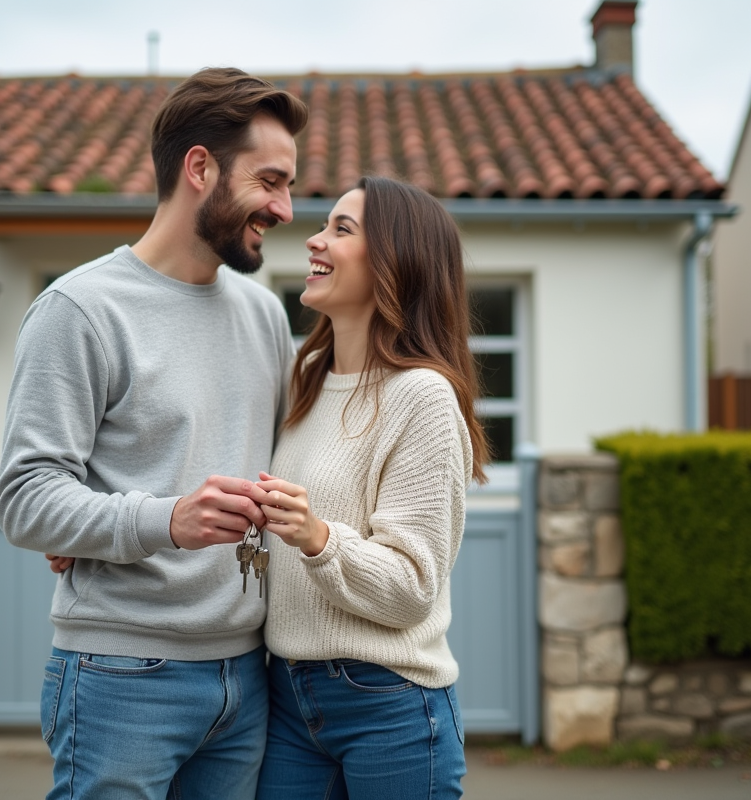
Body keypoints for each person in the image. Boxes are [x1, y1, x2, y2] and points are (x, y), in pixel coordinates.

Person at [0, 67, 308, 800]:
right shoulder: (80, 310)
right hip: (120, 676)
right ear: (200, 167)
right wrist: (163, 519)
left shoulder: (263, 315)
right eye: (269, 181)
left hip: (247, 677)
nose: (287, 209)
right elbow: (25, 497)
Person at [244, 176, 490, 799]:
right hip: (286, 698)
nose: (314, 241)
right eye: (324, 226)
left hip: (389, 705)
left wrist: (318, 537)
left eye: (340, 230)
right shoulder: (306, 379)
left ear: (395, 261)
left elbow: (412, 587)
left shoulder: (423, 398)